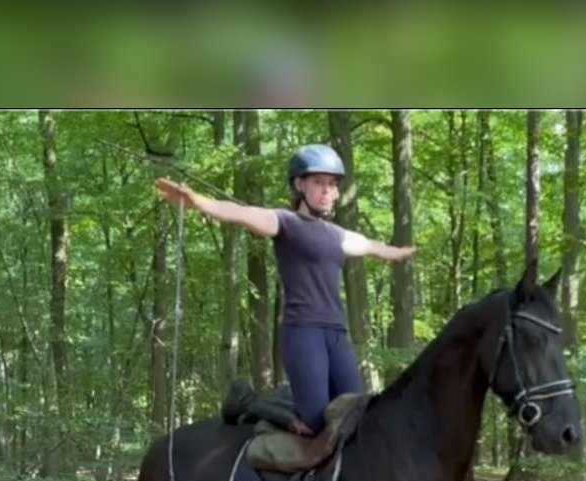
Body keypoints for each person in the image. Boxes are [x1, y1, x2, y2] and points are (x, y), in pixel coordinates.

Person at [155, 144, 416, 436]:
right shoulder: (285, 222)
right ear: (299, 184)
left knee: (357, 416)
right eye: (318, 182)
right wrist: (200, 202)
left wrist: (399, 252)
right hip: (303, 333)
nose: (326, 190)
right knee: (316, 424)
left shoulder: (338, 235)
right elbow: (240, 213)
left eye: (332, 184)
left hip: (337, 334)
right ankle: (255, 405)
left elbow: (371, 246)